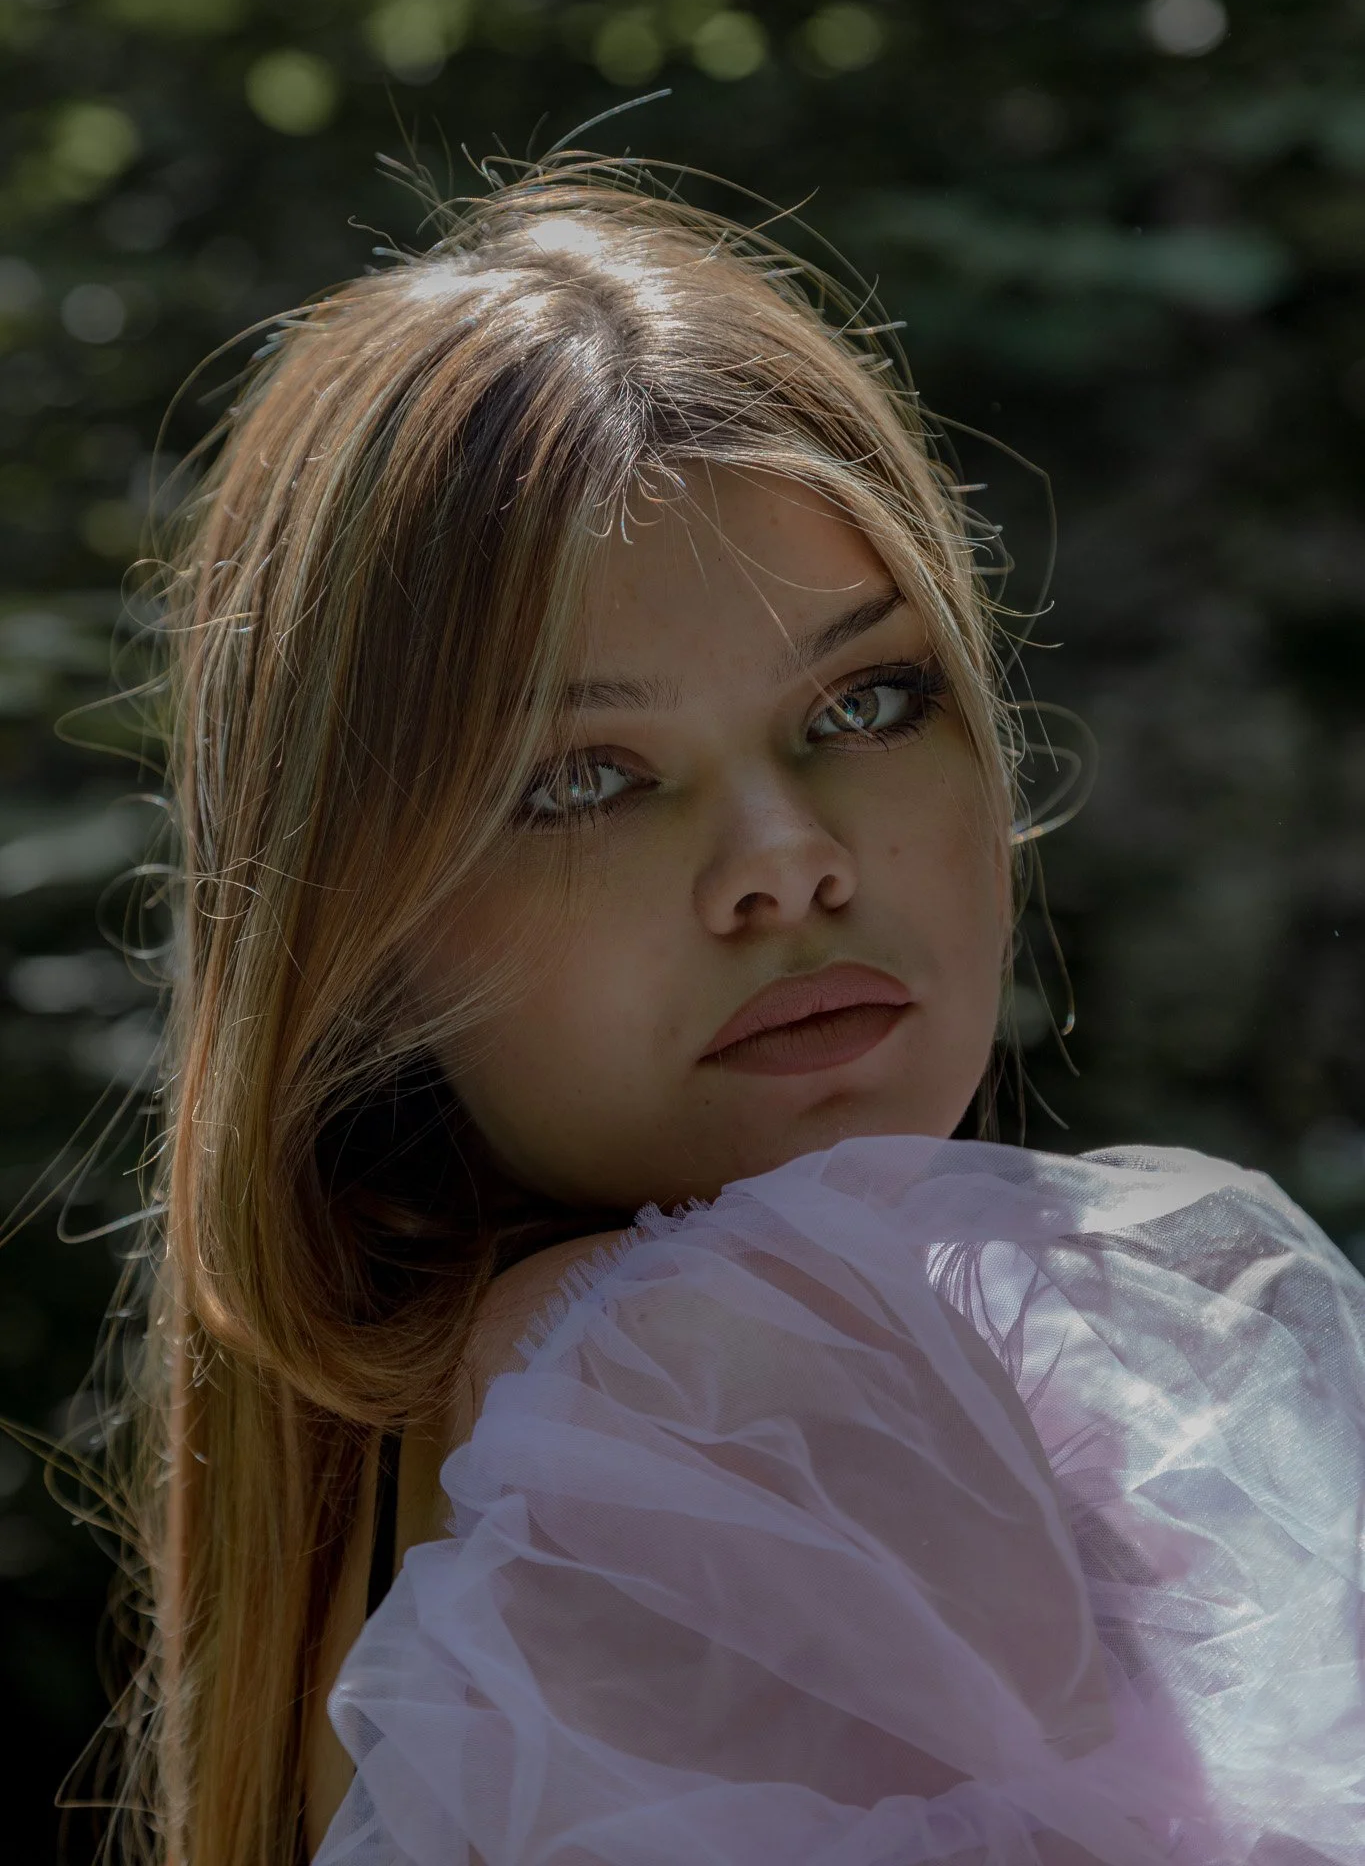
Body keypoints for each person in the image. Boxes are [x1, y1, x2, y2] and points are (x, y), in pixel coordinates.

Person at [104, 159, 1363, 1866]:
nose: (787, 865)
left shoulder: (428, 1457)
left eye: (869, 699)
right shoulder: (730, 1365)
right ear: (360, 931)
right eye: (582, 783)